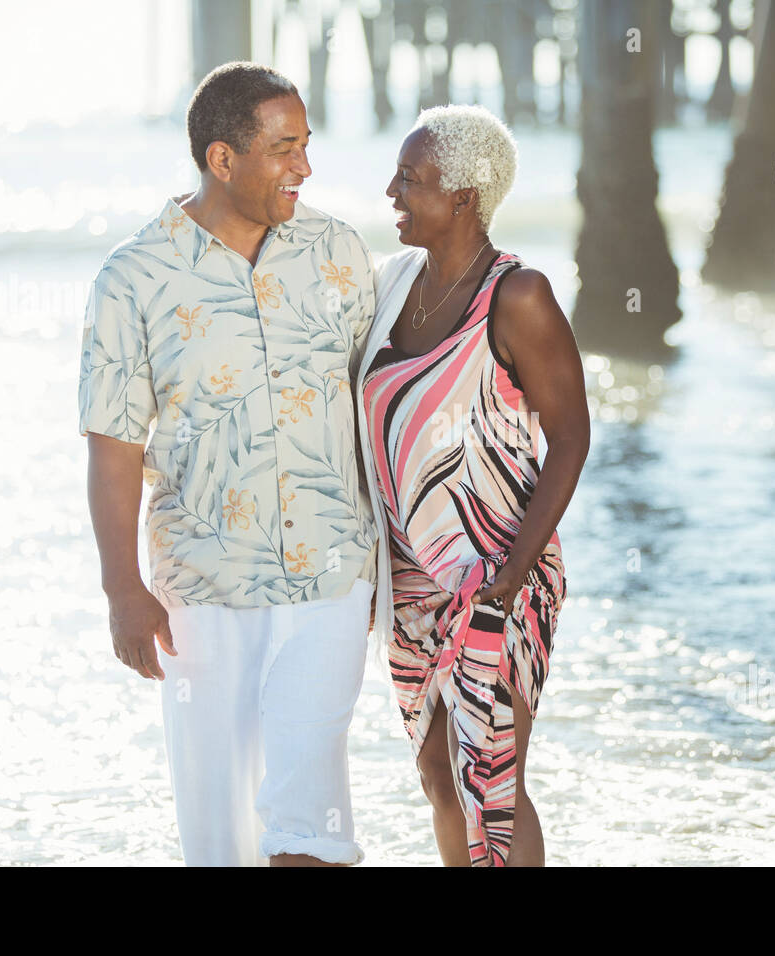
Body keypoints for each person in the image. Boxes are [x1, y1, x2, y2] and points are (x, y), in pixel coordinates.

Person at [78, 62, 379, 867]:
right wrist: (121, 591)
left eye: (307, 145)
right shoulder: (131, 280)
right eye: (284, 148)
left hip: (332, 577)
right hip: (201, 593)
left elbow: (377, 403)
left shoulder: (339, 253)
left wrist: (390, 563)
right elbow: (113, 446)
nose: (305, 167)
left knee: (310, 821)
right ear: (222, 160)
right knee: (218, 837)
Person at [357, 104, 590, 866]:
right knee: (435, 774)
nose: (392, 191)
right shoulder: (392, 287)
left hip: (499, 573)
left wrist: (512, 574)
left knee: (489, 777)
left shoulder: (518, 297)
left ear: (462, 197)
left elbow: (571, 437)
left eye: (410, 179)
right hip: (410, 585)